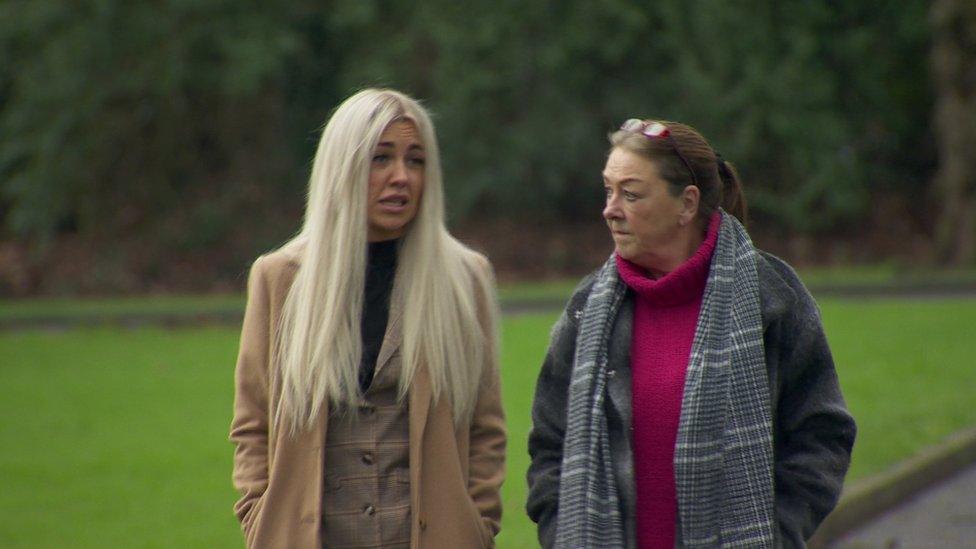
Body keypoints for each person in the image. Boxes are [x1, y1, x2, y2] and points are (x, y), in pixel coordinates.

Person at [526, 119, 856, 548]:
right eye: (608, 191)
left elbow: (822, 434)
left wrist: (778, 532)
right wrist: (560, 530)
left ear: (687, 204)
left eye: (631, 193)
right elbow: (550, 441)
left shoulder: (770, 295)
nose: (610, 208)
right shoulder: (588, 307)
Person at [230, 88, 506, 549]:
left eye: (415, 161)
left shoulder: (464, 279)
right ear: (342, 168)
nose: (401, 177)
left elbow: (486, 426)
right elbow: (252, 423)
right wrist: (260, 518)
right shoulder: (279, 278)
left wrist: (477, 525)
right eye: (381, 159)